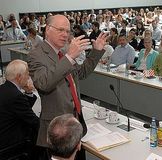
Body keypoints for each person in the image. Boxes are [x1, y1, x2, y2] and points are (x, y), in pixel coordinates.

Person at [28, 14, 107, 159]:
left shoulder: (63, 52)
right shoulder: (36, 54)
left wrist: (96, 51)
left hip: (75, 123)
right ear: (47, 30)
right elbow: (44, 84)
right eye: (60, 30)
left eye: (68, 31)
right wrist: (69, 57)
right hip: (56, 129)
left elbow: (81, 73)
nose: (65, 34)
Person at [0, 60, 39, 157]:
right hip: (10, 143)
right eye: (27, 75)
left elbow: (20, 110)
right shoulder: (16, 95)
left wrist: (28, 92)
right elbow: (33, 121)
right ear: (19, 77)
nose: (29, 78)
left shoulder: (4, 88)